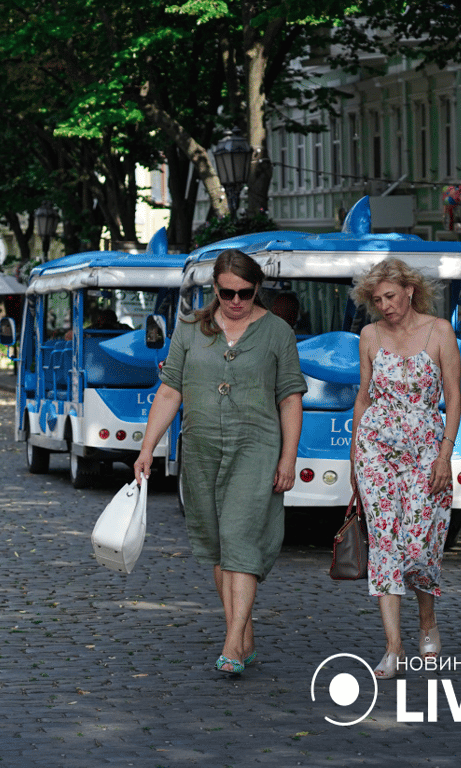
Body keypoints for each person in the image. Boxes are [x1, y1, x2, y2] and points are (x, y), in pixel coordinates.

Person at [133, 249, 305, 676]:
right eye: (227, 293)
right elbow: (170, 391)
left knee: (239, 538)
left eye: (245, 293)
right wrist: (146, 448)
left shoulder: (277, 333)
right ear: (215, 289)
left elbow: (290, 398)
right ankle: (241, 631)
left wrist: (288, 457)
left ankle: (231, 642)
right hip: (201, 449)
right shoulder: (190, 329)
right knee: (216, 545)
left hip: (257, 448)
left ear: (256, 289)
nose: (235, 302)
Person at [349, 257, 461, 680]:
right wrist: (354, 460)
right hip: (376, 451)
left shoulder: (439, 331)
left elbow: (452, 396)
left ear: (410, 290)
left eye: (391, 296)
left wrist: (444, 455)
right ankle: (393, 646)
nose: (385, 306)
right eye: (377, 300)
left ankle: (427, 618)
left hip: (425, 453)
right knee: (384, 545)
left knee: (419, 545)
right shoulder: (369, 335)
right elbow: (363, 396)